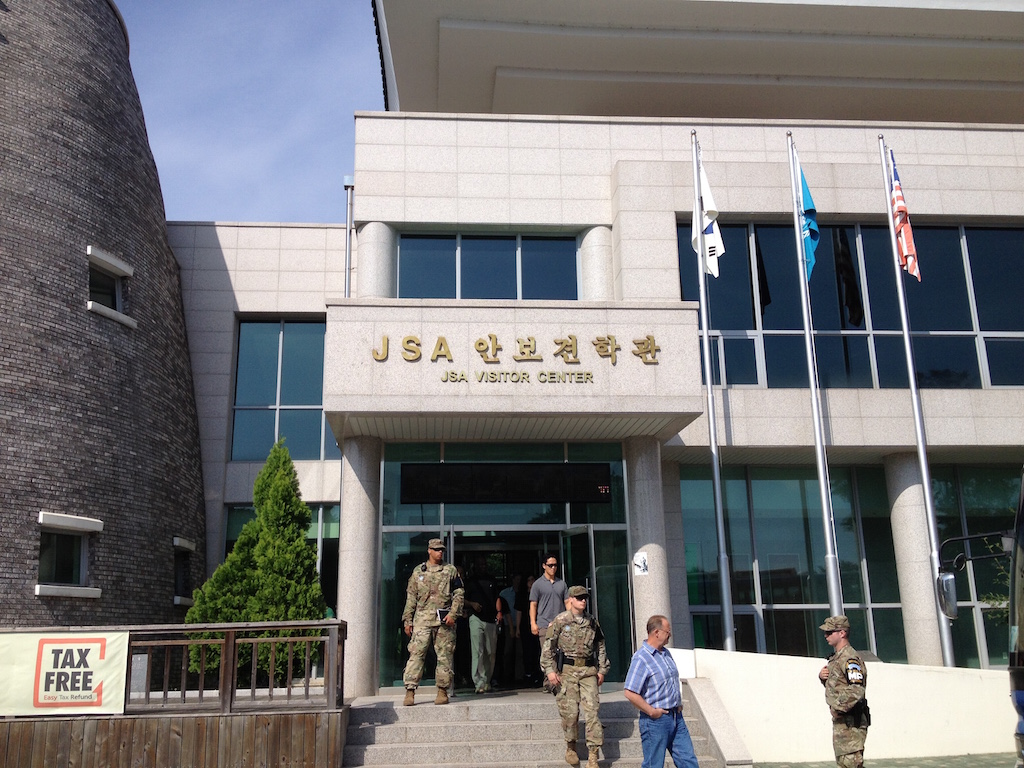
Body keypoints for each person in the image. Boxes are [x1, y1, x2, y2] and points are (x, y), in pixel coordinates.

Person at [540, 585, 609, 768]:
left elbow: (600, 645)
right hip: (568, 671)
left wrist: (602, 669)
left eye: (585, 598)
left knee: (592, 711)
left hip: (588, 671)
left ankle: (593, 755)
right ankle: (571, 747)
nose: (583, 601)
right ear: (570, 600)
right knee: (570, 712)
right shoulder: (560, 620)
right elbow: (548, 647)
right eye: (579, 598)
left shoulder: (592, 622)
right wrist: (550, 671)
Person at [623, 615, 699, 768]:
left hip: (676, 717)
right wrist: (651, 711)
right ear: (656, 632)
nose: (670, 635)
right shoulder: (641, 658)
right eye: (667, 632)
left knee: (688, 761)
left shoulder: (666, 653)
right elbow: (630, 692)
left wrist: (677, 702)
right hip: (656, 721)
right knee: (654, 764)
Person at [401, 538, 464, 706]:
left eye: (441, 549)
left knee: (444, 656)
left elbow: (459, 594)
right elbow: (411, 597)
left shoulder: (450, 570)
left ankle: (442, 691)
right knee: (416, 654)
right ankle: (410, 691)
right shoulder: (418, 571)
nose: (440, 552)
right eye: (436, 549)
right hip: (422, 620)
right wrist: (407, 620)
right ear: (429, 550)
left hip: (444, 621)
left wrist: (453, 614)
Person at [818, 615, 870, 767]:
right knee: (845, 763)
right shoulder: (837, 658)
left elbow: (856, 688)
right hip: (843, 722)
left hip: (851, 722)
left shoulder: (849, 658)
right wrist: (823, 678)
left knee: (851, 763)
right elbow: (839, 686)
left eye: (829, 632)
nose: (826, 636)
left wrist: (837, 708)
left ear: (842, 633)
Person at [530, 553, 570, 684]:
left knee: (561, 653)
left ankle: (560, 680)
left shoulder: (561, 584)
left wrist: (571, 619)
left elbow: (567, 603)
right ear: (544, 566)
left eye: (555, 565)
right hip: (544, 623)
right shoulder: (537, 584)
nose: (553, 568)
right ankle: (549, 682)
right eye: (550, 565)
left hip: (561, 625)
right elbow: (533, 604)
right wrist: (533, 623)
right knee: (547, 653)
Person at [465, 554, 501, 693]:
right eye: (480, 564)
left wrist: (499, 612)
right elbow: (462, 599)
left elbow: (497, 597)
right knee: (477, 651)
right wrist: (472, 604)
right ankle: (478, 682)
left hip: (491, 618)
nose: (482, 567)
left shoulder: (492, 580)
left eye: (484, 564)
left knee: (490, 652)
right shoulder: (470, 581)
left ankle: (487, 680)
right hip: (475, 618)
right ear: (475, 566)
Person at [518, 574, 540, 684]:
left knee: (537, 650)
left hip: (538, 625)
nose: (531, 582)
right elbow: (519, 612)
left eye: (533, 579)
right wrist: (517, 628)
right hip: (525, 626)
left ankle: (537, 674)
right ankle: (528, 673)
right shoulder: (522, 595)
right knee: (527, 650)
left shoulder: (539, 593)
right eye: (529, 580)